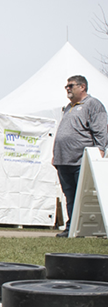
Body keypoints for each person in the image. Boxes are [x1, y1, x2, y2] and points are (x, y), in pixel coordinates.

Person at [52, 75, 108, 237]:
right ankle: (72, 227)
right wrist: (55, 155)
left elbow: (100, 130)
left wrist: (100, 152)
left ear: (82, 87)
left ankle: (88, 228)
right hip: (64, 160)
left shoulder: (93, 105)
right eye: (66, 86)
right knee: (69, 195)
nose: (67, 88)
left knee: (82, 196)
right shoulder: (69, 107)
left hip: (81, 159)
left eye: (71, 85)